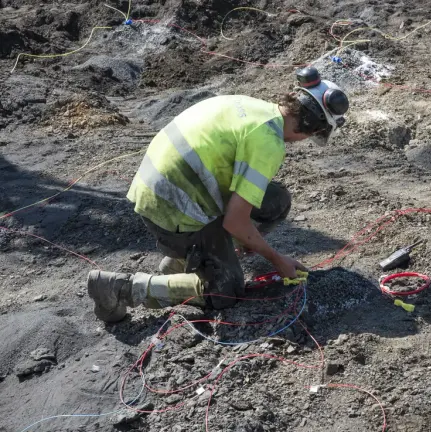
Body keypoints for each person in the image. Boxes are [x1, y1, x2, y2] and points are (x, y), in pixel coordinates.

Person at [87, 67, 350, 322]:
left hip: (159, 186)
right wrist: (276, 259)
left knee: (276, 201)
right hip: (168, 207)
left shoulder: (251, 106)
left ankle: (186, 262)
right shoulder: (268, 143)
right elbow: (235, 222)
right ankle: (118, 288)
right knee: (227, 292)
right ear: (312, 127)